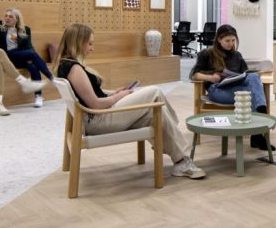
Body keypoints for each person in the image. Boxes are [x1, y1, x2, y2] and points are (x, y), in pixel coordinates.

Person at [53, 23, 205, 179]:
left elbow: (91, 93)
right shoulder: (75, 69)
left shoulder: (66, 65)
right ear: (78, 42)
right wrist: (119, 96)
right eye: (90, 43)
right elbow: (95, 104)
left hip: (97, 117)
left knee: (156, 114)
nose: (92, 48)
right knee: (155, 91)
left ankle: (181, 162)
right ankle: (176, 128)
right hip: (99, 120)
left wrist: (115, 92)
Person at [190, 24, 272, 150]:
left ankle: (259, 124)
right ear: (219, 39)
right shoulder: (207, 54)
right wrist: (211, 78)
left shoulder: (237, 55)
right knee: (253, 95)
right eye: (227, 41)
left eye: (233, 40)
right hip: (218, 90)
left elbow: (246, 75)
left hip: (236, 88)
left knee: (254, 76)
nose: (231, 44)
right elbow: (194, 75)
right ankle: (259, 129)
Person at [0, 8, 53, 108]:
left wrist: (29, 58)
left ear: (17, 19)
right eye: (6, 16)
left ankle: (38, 96)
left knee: (33, 66)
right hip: (5, 57)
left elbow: (29, 46)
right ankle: (51, 78)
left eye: (10, 16)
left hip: (19, 57)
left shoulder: (25, 30)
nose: (7, 18)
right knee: (32, 54)